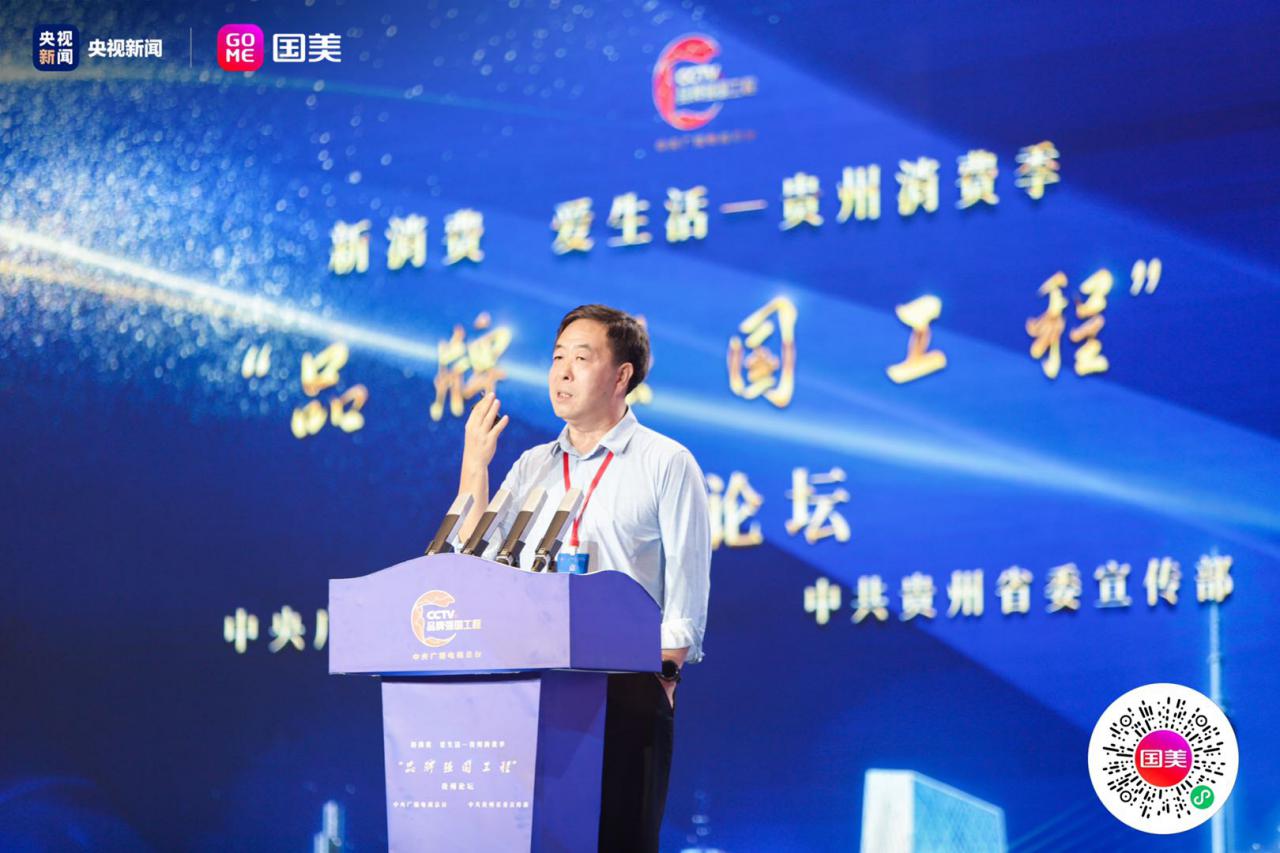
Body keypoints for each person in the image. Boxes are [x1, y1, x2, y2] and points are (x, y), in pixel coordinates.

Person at [453, 303, 711, 852]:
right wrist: (475, 466)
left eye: (581, 358)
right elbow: (469, 562)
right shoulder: (532, 466)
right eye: (557, 358)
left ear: (621, 376)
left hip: (625, 688)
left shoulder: (665, 462)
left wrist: (663, 677)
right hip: (530, 689)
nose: (563, 373)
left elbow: (686, 593)